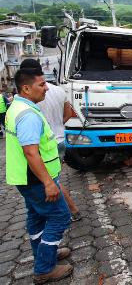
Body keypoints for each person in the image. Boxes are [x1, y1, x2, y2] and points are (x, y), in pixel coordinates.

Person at [5, 68, 72, 283]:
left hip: (25, 179)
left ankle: (44, 253)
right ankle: (44, 268)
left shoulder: (18, 107)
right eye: (41, 85)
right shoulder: (27, 115)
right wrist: (48, 183)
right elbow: (30, 152)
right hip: (36, 180)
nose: (46, 88)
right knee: (60, 216)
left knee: (36, 217)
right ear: (26, 88)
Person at [19, 59, 81, 221]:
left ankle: (71, 210)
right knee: (52, 179)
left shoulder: (28, 96)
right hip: (59, 140)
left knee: (50, 181)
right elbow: (68, 114)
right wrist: (57, 127)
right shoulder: (58, 90)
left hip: (42, 146)